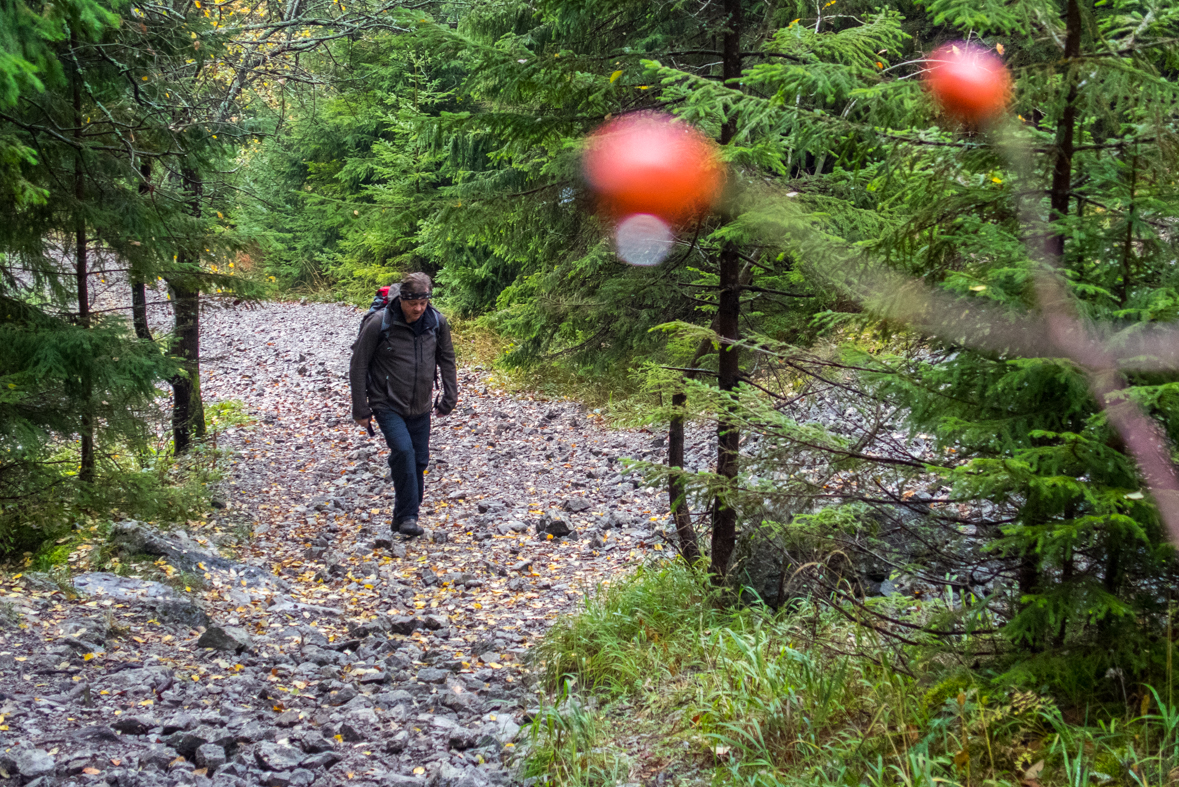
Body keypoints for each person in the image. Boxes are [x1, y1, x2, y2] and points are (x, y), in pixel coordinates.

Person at [350, 272, 458, 537]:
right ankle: (410, 516)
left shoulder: (436, 322)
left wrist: (449, 398)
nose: (418, 309)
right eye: (413, 304)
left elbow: (447, 359)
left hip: (420, 405)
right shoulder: (380, 322)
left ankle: (401, 518)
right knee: (404, 451)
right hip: (387, 402)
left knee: (419, 460)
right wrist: (360, 408)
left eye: (423, 303)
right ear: (402, 299)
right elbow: (358, 364)